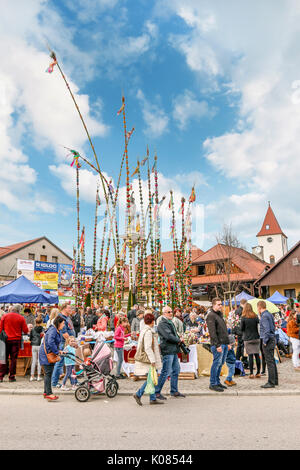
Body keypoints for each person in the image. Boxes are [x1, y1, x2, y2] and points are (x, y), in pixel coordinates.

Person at [154, 306, 186, 400]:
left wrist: (178, 338)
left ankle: (174, 391)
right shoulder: (162, 323)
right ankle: (157, 392)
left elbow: (171, 335)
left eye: (171, 311)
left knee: (176, 370)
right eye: (168, 312)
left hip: (173, 349)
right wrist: (178, 340)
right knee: (165, 371)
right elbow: (168, 336)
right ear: (164, 313)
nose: (171, 313)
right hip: (168, 350)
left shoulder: (169, 322)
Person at [133, 312, 163, 406]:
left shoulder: (144, 330)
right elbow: (148, 347)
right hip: (149, 359)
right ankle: (139, 394)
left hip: (149, 358)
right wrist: (153, 360)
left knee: (151, 377)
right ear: (152, 321)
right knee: (151, 378)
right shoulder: (149, 332)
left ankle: (152, 398)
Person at [206, 298, 230, 392]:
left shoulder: (219, 314)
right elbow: (212, 332)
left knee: (220, 364)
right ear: (213, 305)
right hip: (218, 344)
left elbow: (223, 330)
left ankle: (217, 381)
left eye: (221, 304)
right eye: (218, 304)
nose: (220, 306)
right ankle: (213, 383)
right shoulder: (211, 315)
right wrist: (217, 345)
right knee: (216, 364)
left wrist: (227, 343)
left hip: (224, 343)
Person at [0, 304, 29, 382]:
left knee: (3, 358)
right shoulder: (21, 318)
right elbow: (26, 330)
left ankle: (1, 376)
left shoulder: (5, 316)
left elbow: (0, 328)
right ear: (19, 310)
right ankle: (11, 376)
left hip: (5, 340)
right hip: (16, 340)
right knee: (13, 359)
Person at [39, 315, 65, 401]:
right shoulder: (53, 330)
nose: (64, 325)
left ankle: (46, 392)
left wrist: (58, 351)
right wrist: (57, 352)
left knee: (48, 373)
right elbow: (50, 342)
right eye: (63, 323)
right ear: (59, 323)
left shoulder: (54, 329)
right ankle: (49, 393)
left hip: (46, 354)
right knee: (48, 373)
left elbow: (52, 342)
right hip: (46, 355)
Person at [51, 303, 75, 388]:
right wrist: (72, 342)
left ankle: (74, 381)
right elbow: (64, 333)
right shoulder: (61, 318)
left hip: (67, 343)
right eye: (69, 308)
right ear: (64, 309)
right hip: (64, 344)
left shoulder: (67, 317)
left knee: (71, 362)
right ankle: (54, 382)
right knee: (59, 363)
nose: (71, 309)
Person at [258, 300, 278, 388]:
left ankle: (271, 382)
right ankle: (275, 380)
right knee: (272, 361)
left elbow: (267, 330)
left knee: (269, 361)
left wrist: (265, 341)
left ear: (259, 307)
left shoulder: (264, 316)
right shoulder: (269, 314)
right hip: (272, 338)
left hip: (268, 340)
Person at [240, 303, 261, 379]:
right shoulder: (255, 316)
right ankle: (258, 372)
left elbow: (241, 328)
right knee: (257, 355)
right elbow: (258, 326)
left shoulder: (243, 317)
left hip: (248, 338)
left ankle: (251, 373)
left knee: (250, 356)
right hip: (256, 338)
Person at [29, 315, 44, 382]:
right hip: (40, 345)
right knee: (39, 361)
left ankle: (32, 376)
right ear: (41, 322)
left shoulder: (32, 329)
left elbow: (30, 338)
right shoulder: (42, 329)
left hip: (33, 345)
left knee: (33, 361)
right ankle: (38, 376)